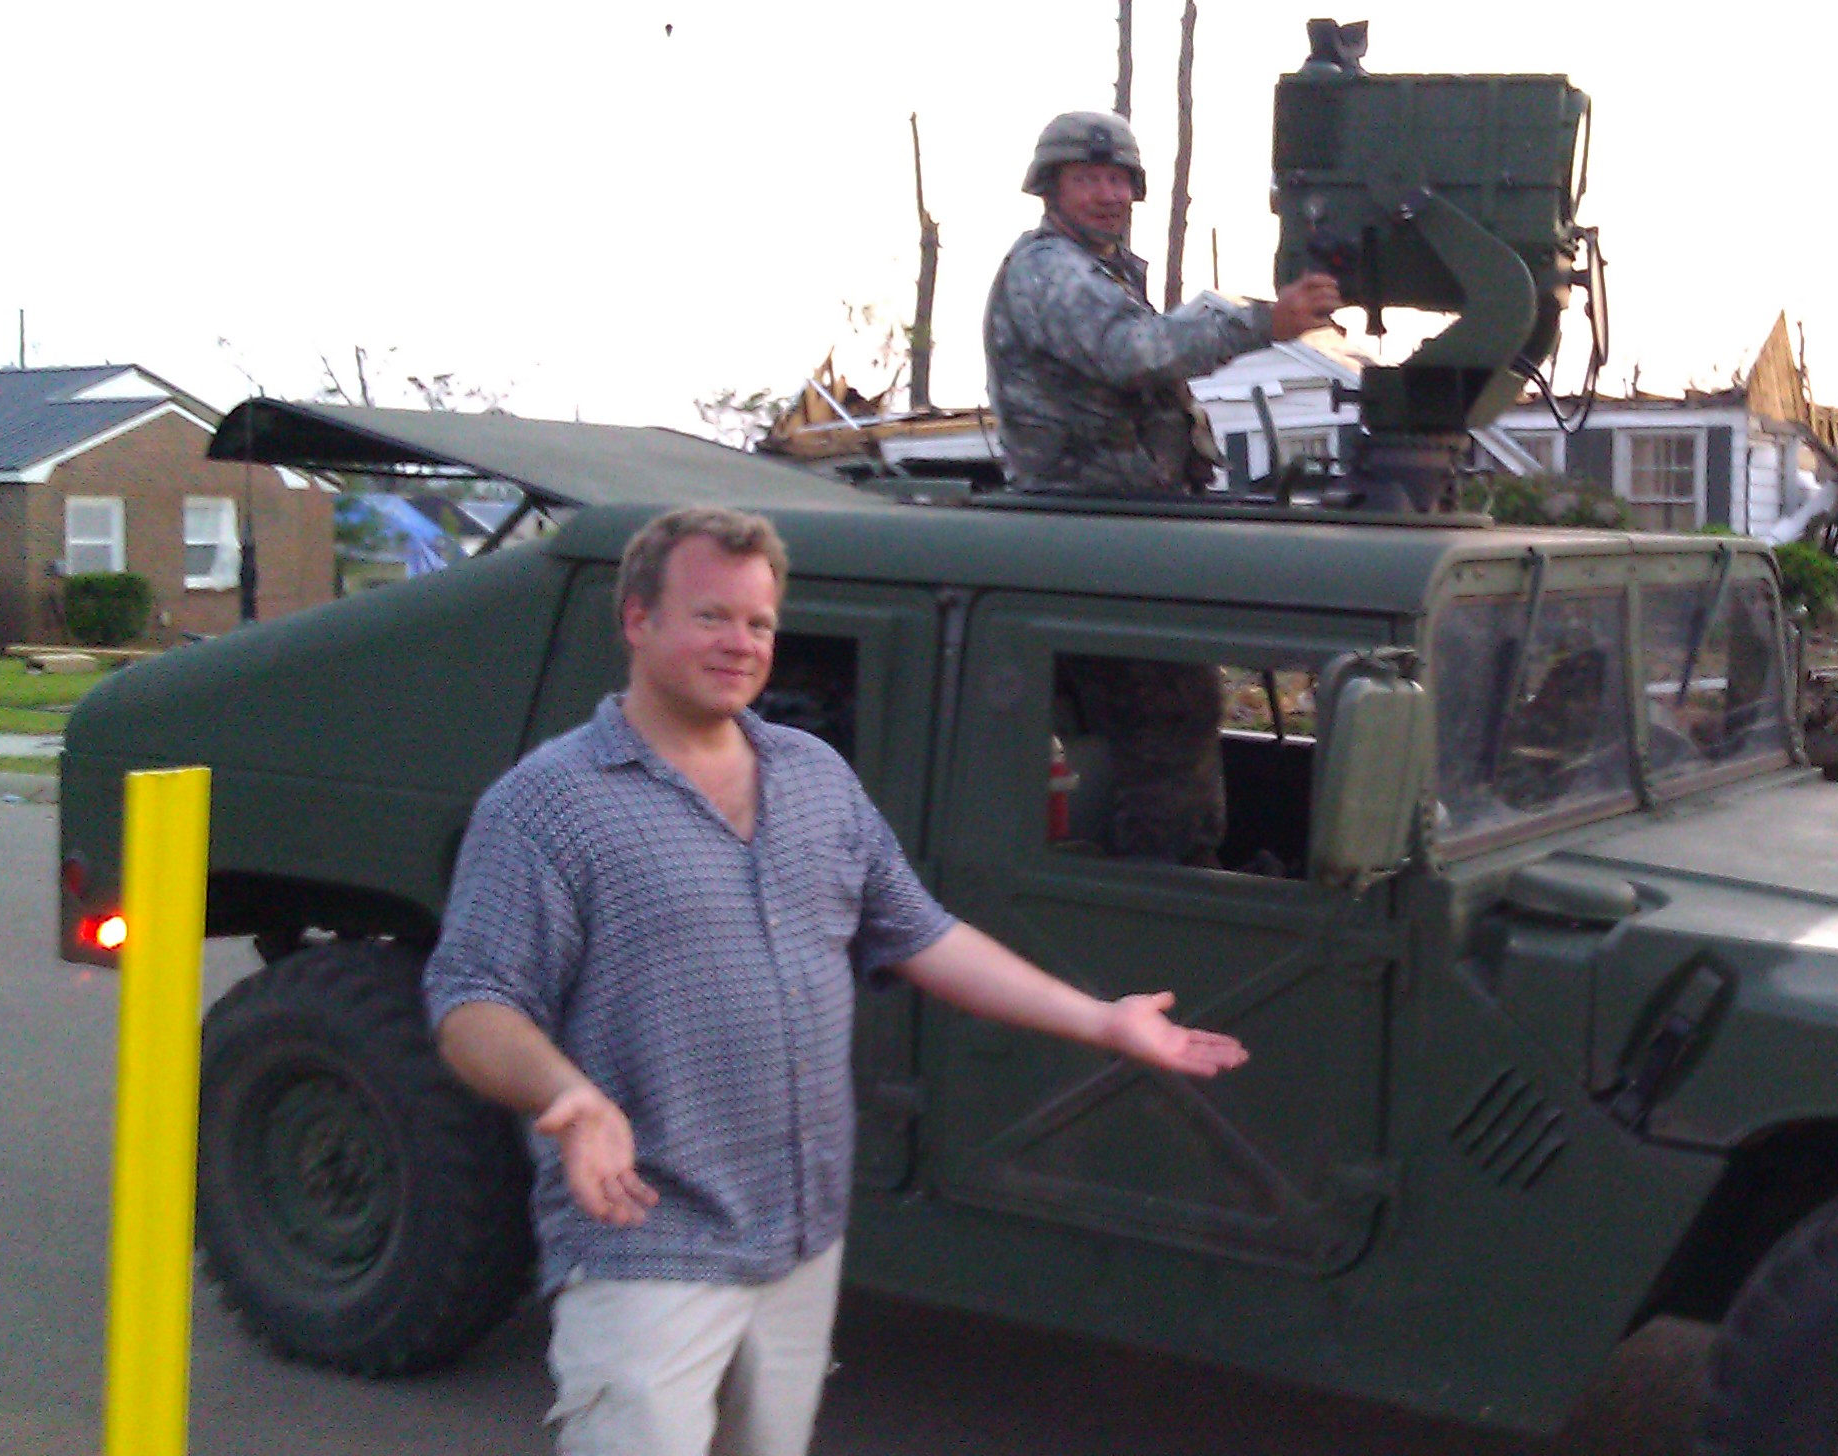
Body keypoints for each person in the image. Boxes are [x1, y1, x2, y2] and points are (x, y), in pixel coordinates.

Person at [422, 506, 1248, 1456]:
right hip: (648, 1241)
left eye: (760, 623)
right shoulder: (548, 804)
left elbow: (923, 934)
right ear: (637, 620)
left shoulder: (812, 776)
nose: (740, 643)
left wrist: (1102, 1021)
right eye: (711, 616)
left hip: (799, 1240)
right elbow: (473, 1001)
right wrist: (563, 1095)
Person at [983, 109, 1341, 863]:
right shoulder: (1049, 270)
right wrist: (1264, 322)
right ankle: (1169, 887)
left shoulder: (1101, 273)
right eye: (1088, 179)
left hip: (1123, 530)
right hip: (1088, 535)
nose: (1108, 195)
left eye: (1118, 180)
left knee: (1172, 718)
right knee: (1170, 724)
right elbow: (1134, 351)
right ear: (1052, 188)